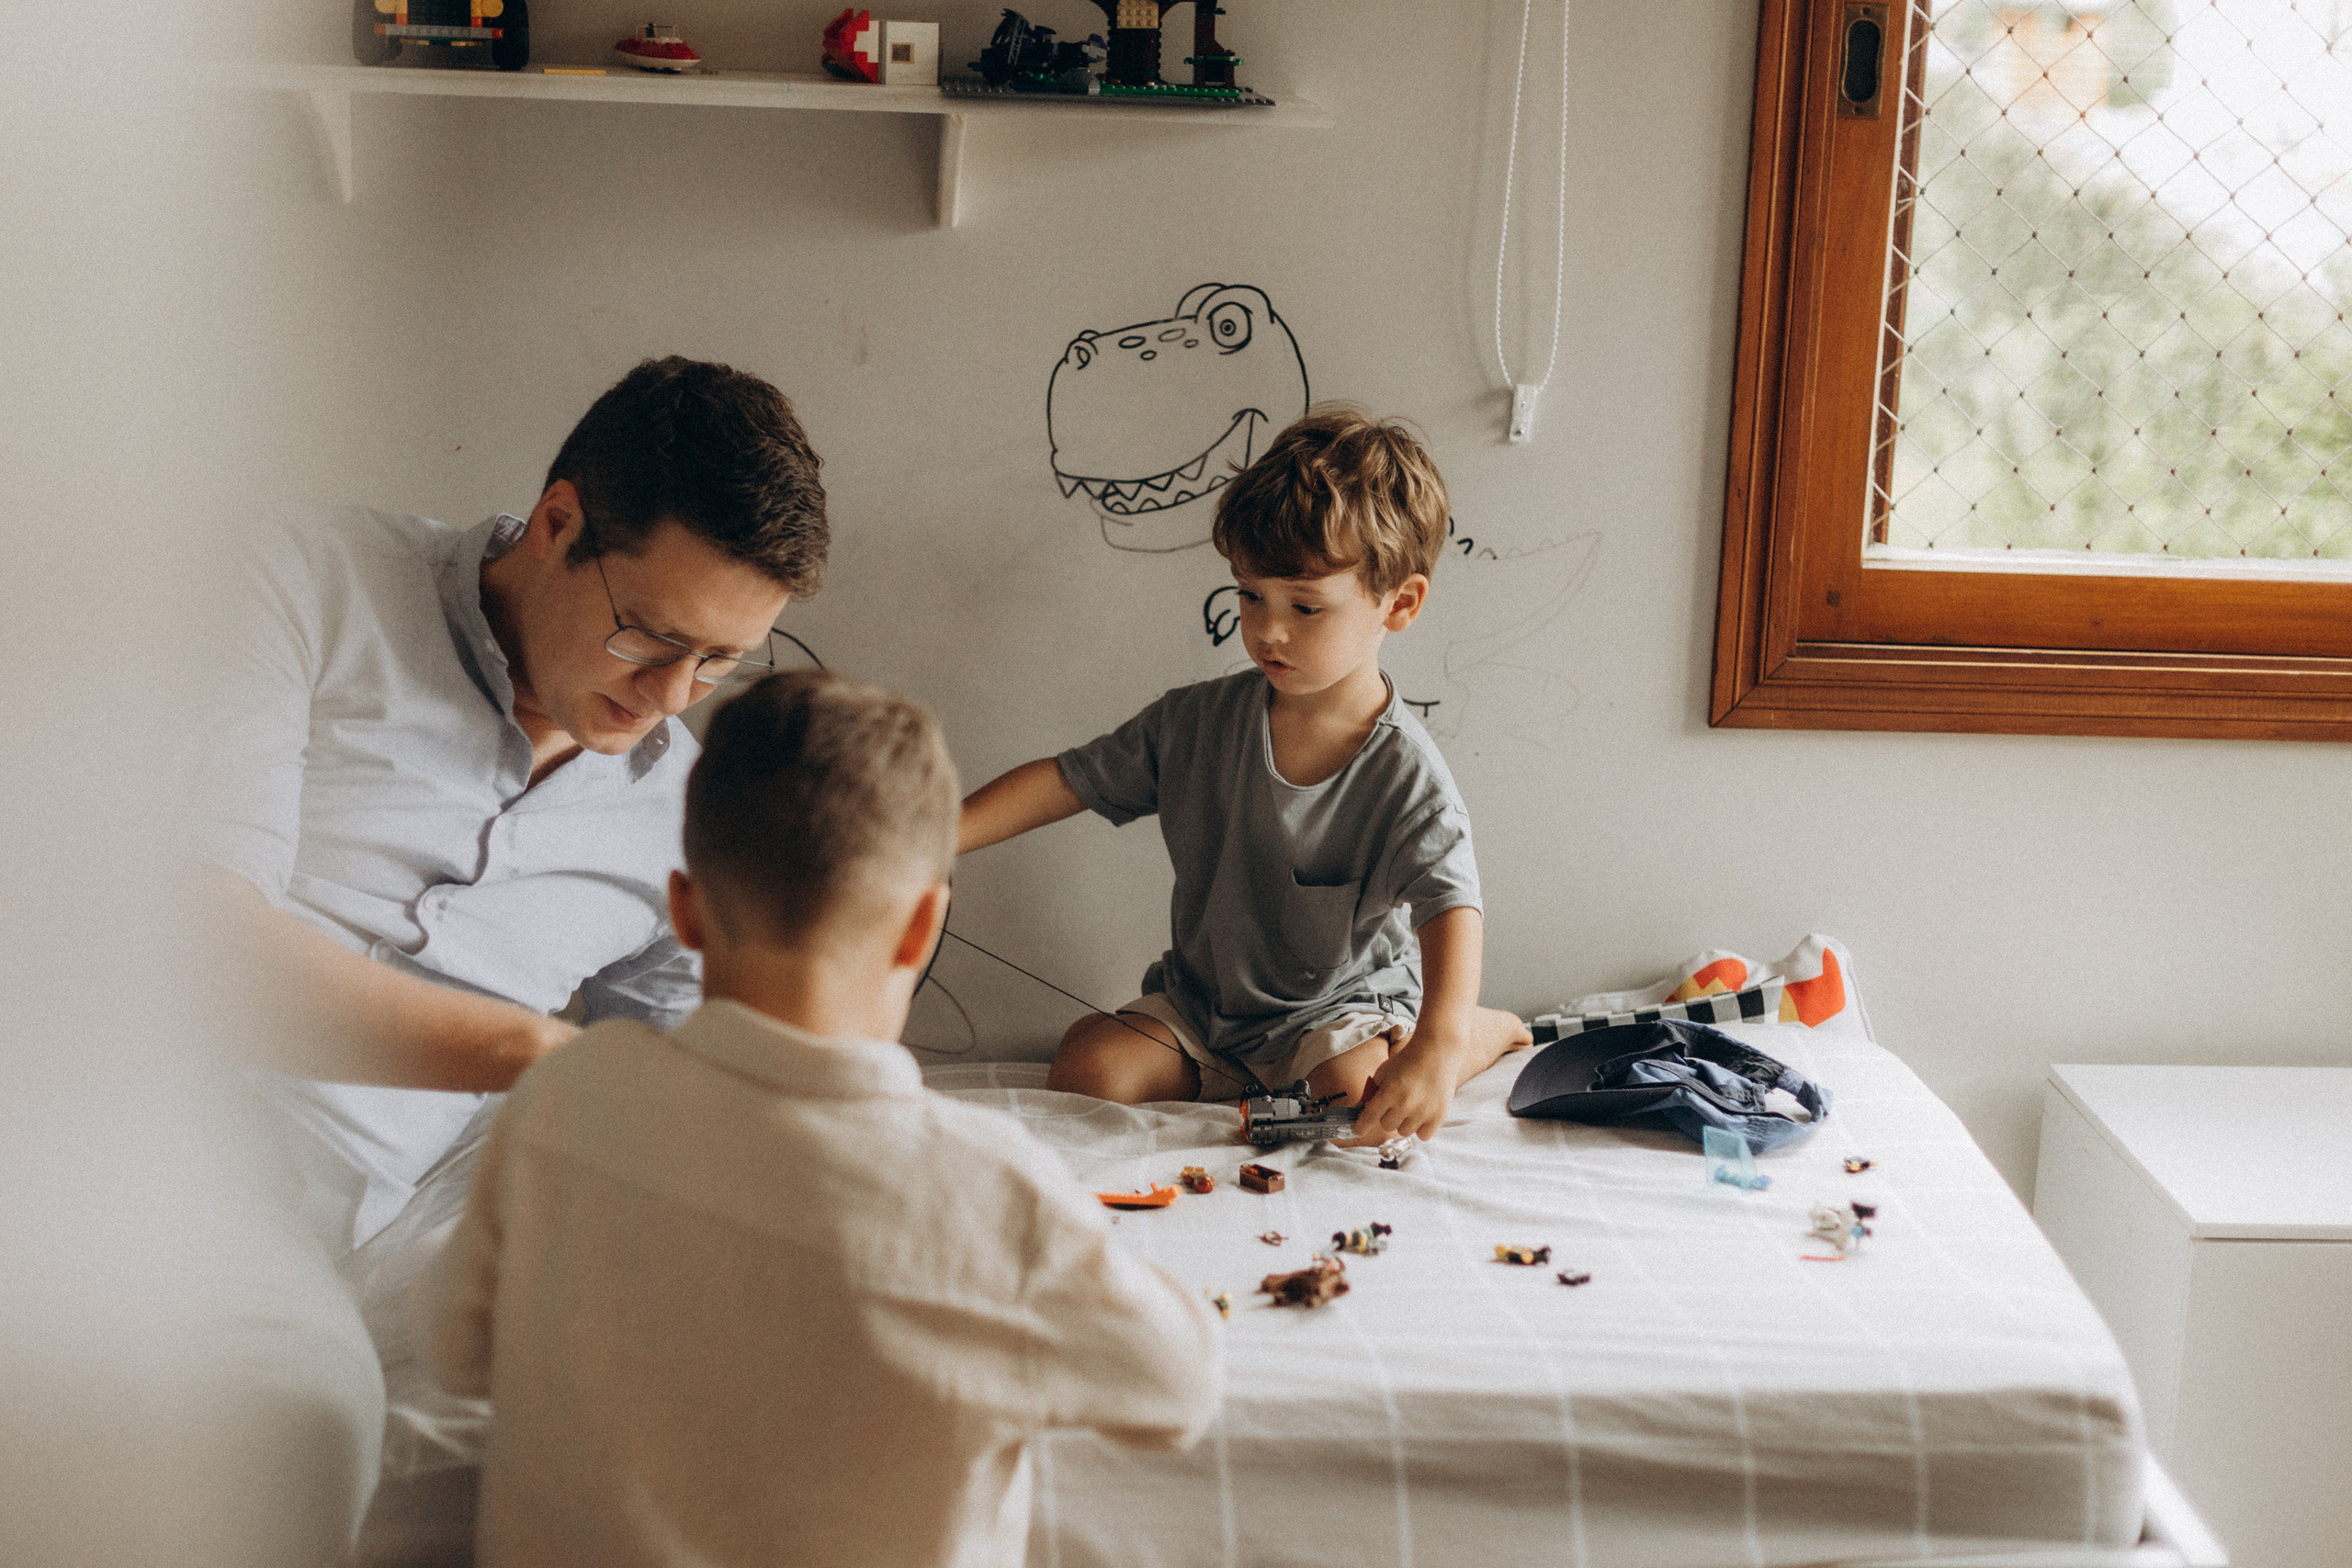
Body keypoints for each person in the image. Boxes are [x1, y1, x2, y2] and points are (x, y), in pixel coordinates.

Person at [177, 355, 830, 1543]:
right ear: (557, 520)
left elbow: (686, 1073)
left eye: (721, 664)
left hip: (440, 1207)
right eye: (648, 635)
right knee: (289, 1417)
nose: (670, 697)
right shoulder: (307, 581)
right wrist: (537, 1050)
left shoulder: (684, 806)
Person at [422, 671, 1222, 1568]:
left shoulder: (562, 1095)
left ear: (683, 909)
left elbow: (459, 1356)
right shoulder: (991, 1193)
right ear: (921, 929)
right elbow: (1177, 1387)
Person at [957, 408, 1532, 1145]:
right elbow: (1068, 780)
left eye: (1305, 606)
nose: (1268, 630)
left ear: (1401, 603)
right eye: (1250, 595)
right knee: (1088, 1068)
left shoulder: (1405, 774)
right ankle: (1247, 1079)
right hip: (1205, 1014)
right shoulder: (1194, 722)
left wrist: (1441, 1039)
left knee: (1355, 1104)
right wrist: (935, 837)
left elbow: (1452, 909)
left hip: (1336, 1019)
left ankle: (1485, 1034)